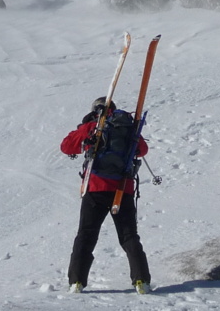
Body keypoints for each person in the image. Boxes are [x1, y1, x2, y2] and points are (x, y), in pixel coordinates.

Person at [60, 97, 152, 294]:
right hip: (122, 189)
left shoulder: (93, 126)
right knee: (128, 236)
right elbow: (142, 150)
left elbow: (66, 146)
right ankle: (141, 280)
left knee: (86, 234)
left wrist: (86, 129)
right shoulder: (128, 127)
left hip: (95, 188)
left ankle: (76, 282)